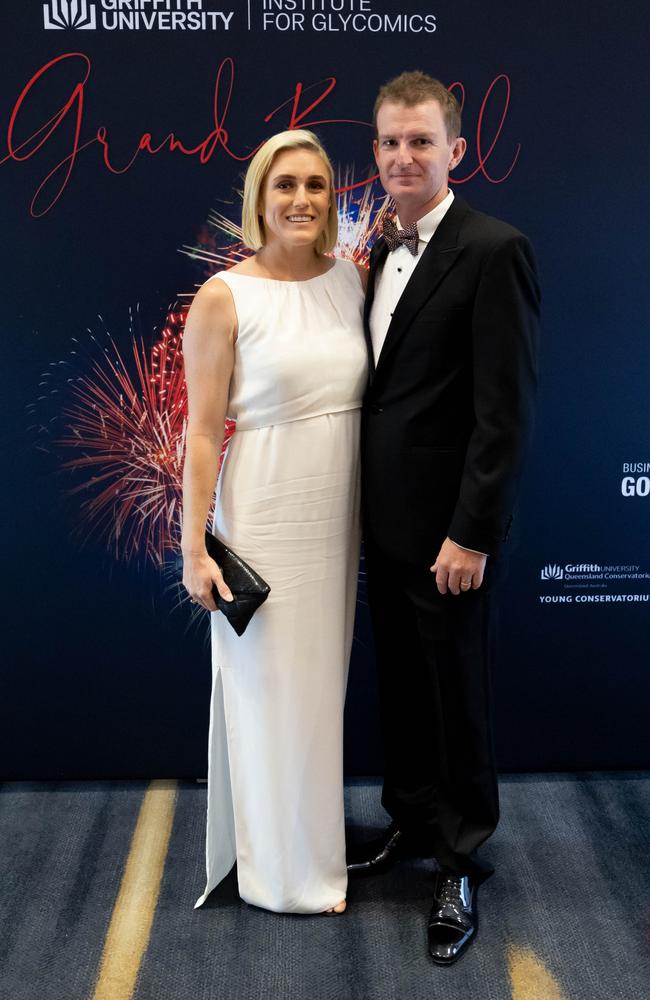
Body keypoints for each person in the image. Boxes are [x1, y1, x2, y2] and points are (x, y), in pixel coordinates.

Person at [348, 72, 540, 962]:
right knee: (402, 689)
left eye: (420, 141)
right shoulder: (377, 250)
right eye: (389, 142)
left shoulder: (493, 249)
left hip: (448, 536)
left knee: (456, 695)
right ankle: (412, 825)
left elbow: (504, 415)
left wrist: (471, 533)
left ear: (456, 150)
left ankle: (460, 861)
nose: (402, 157)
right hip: (381, 529)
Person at [181, 129, 368, 914]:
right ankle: (276, 874)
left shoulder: (352, 282)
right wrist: (193, 548)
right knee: (268, 687)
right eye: (284, 184)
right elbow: (199, 431)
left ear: (332, 199)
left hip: (339, 513)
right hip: (262, 507)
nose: (301, 199)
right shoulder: (224, 296)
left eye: (316, 185)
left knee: (320, 687)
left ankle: (314, 850)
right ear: (259, 197)